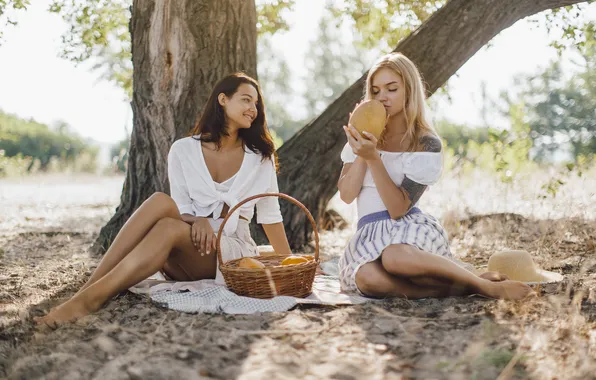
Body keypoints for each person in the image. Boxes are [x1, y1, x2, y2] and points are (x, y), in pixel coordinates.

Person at [36, 72, 292, 326]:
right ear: (223, 99)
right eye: (246, 100)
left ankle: (90, 299)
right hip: (184, 246)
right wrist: (199, 221)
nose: (253, 109)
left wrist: (291, 265)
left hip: (230, 251)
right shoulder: (183, 149)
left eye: (256, 104)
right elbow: (179, 207)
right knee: (161, 201)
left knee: (168, 228)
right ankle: (89, 288)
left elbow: (270, 216)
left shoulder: (261, 158)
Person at [337, 53, 532, 300]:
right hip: (368, 234)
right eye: (375, 91)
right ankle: (468, 285)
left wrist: (374, 158)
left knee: (394, 257)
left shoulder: (425, 143)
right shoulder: (360, 139)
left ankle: (487, 289)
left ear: (409, 91)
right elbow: (346, 195)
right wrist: (363, 151)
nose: (382, 97)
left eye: (392, 88)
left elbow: (398, 209)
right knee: (367, 279)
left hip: (407, 229)